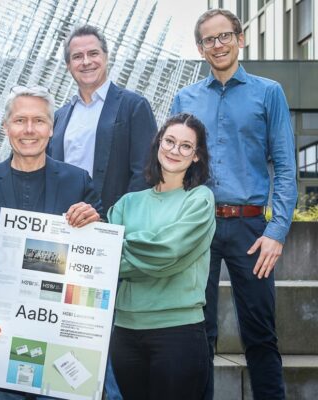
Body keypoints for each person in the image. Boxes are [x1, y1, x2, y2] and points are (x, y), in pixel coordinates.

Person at [171, 9, 297, 400]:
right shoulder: (185, 98)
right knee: (197, 332)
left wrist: (276, 232)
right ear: (200, 48)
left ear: (240, 39)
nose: (218, 44)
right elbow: (173, 165)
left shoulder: (269, 93)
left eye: (224, 36)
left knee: (260, 333)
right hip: (198, 226)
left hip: (251, 229)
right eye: (209, 39)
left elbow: (286, 168)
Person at [0, 86, 102, 399]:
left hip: (63, 340)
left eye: (38, 121)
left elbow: (98, 254)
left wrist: (95, 222)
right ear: (5, 127)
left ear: (52, 128)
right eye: (20, 120)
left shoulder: (78, 181)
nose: (29, 130)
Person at [108, 113, 215, 400]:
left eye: (185, 146)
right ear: (158, 143)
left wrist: (125, 246)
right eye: (169, 141)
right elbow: (105, 259)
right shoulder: (127, 203)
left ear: (196, 156)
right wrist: (153, 255)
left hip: (178, 332)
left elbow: (168, 250)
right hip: (125, 332)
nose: (174, 150)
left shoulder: (200, 199)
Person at [49, 24, 157, 217]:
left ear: (106, 57)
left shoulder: (134, 106)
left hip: (111, 223)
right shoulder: (59, 117)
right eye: (77, 56)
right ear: (68, 65)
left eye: (93, 53)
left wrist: (117, 220)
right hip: (61, 222)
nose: (86, 61)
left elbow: (145, 173)